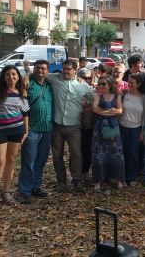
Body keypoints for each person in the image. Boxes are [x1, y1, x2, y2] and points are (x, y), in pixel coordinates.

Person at [43, 59, 94, 193]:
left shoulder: (82, 85)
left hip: (74, 126)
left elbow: (94, 98)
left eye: (68, 69)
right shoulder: (54, 79)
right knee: (57, 154)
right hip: (57, 125)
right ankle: (61, 181)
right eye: (63, 68)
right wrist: (27, 75)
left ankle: (77, 180)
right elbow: (39, 73)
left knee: (76, 154)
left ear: (75, 71)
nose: (65, 71)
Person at [0, 65, 30, 208]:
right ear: (4, 77)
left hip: (16, 130)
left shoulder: (21, 92)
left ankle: (6, 192)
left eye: (14, 74)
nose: (11, 77)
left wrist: (26, 130)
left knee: (11, 161)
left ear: (18, 76)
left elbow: (25, 112)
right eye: (8, 74)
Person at [18, 60, 53, 205]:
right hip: (31, 129)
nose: (40, 71)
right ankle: (25, 191)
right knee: (29, 161)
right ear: (34, 69)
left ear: (47, 71)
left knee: (41, 161)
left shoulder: (50, 85)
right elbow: (23, 105)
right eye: (37, 68)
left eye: (43, 68)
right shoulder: (28, 84)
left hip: (47, 129)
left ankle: (36, 186)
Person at [91, 75, 125, 192]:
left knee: (116, 153)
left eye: (103, 84)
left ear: (109, 84)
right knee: (99, 154)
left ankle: (119, 179)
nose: (101, 86)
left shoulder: (117, 95)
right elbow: (95, 109)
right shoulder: (97, 95)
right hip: (99, 129)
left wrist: (103, 112)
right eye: (99, 84)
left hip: (113, 128)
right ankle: (98, 181)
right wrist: (111, 111)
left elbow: (120, 111)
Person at [119, 73, 145, 186]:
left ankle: (132, 176)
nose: (129, 84)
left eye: (132, 83)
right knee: (122, 152)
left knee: (133, 153)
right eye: (129, 82)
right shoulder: (123, 94)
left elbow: (144, 115)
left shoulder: (143, 97)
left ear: (138, 84)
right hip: (122, 127)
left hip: (136, 128)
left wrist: (142, 131)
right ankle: (122, 177)